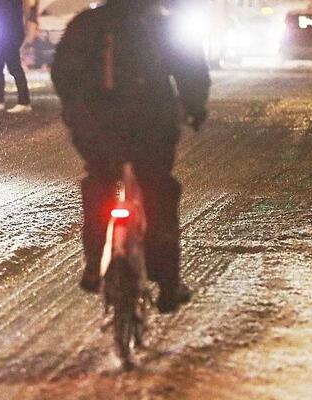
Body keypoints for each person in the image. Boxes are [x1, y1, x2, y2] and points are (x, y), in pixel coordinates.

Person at [51, 0, 210, 313]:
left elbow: (62, 73)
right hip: (151, 125)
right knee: (158, 191)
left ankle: (95, 264)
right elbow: (191, 71)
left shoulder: (86, 24)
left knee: (99, 182)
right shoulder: (163, 25)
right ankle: (167, 283)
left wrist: (76, 111)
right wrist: (194, 109)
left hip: (97, 128)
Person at [0, 0, 32, 114]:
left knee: (14, 67)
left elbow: (13, 14)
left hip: (9, 34)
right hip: (0, 33)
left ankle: (24, 102)